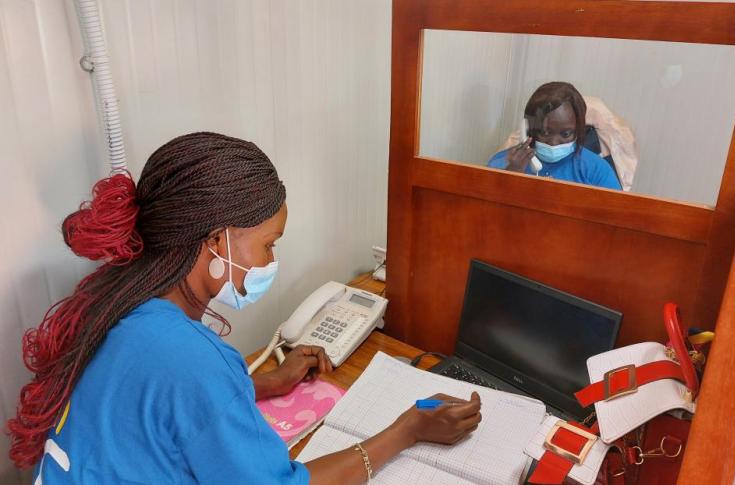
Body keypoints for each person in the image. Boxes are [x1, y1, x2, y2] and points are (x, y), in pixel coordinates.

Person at [8, 132, 482, 484]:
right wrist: (408, 429)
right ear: (217, 242)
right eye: (269, 245)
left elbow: (162, 402)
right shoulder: (192, 360)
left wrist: (258, 384)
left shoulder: (114, 302)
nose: (271, 261)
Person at [487, 82, 622, 190]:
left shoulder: (596, 170)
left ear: (578, 130)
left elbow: (617, 218)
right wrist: (509, 177)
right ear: (529, 129)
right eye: (545, 132)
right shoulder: (501, 163)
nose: (553, 142)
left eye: (566, 134)